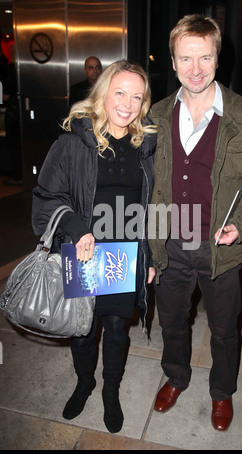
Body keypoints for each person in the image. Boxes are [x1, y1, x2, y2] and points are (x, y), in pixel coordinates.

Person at [148, 14, 242, 431]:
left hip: (221, 246)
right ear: (172, 62)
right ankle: (176, 376)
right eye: (186, 58)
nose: (196, 69)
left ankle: (222, 391)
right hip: (169, 243)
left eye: (205, 57)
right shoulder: (156, 114)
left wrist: (241, 223)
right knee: (172, 320)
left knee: (224, 328)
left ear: (218, 58)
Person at [32, 60, 157, 433]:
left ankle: (110, 391)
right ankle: (85, 381)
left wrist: (150, 256)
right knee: (82, 330)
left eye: (137, 96)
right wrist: (76, 227)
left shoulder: (146, 144)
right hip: (85, 252)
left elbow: (154, 205)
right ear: (103, 92)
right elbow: (46, 196)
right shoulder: (73, 142)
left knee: (117, 329)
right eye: (120, 92)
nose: (128, 104)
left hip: (124, 253)